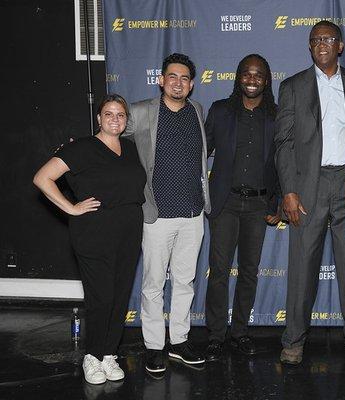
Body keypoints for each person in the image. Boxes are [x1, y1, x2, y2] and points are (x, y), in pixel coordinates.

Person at [275, 20, 345, 365]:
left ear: (340, 46)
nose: (321, 44)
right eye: (315, 40)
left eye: (328, 39)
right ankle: (294, 340)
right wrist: (289, 191)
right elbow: (284, 143)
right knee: (302, 267)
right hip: (307, 187)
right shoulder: (292, 87)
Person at [33, 94, 146, 384]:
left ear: (126, 120)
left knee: (120, 296)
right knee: (101, 298)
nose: (114, 119)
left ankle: (109, 354)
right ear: (98, 118)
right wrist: (71, 207)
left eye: (120, 115)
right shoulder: (82, 148)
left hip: (129, 232)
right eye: (108, 114)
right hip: (94, 233)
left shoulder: (131, 149)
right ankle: (92, 357)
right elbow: (42, 178)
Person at [124, 53, 211, 373]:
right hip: (156, 214)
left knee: (186, 282)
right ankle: (153, 346)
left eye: (185, 78)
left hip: (193, 213)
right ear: (160, 80)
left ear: (192, 85)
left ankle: (179, 341)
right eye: (172, 76)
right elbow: (112, 137)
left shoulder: (197, 111)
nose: (178, 82)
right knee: (153, 283)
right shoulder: (141, 111)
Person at [203, 54, 280, 361]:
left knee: (249, 272)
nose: (252, 79)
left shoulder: (275, 115)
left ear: (266, 80)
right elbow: (199, 151)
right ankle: (216, 335)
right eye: (246, 74)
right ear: (238, 77)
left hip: (259, 204)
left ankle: (240, 332)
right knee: (219, 272)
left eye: (258, 75)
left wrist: (278, 201)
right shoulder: (221, 111)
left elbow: (283, 162)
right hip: (226, 203)